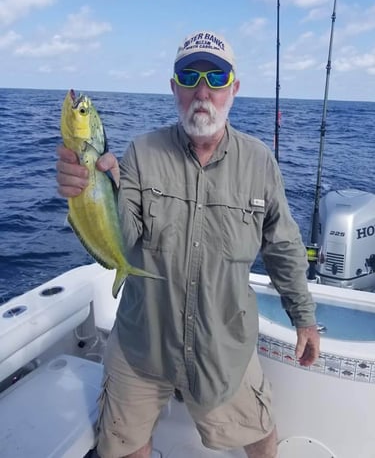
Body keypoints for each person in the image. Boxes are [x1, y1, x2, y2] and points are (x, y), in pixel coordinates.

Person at [56, 30, 320, 458]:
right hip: (144, 341)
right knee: (123, 446)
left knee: (261, 436)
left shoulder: (259, 162)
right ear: (174, 87)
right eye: (189, 76)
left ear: (233, 88)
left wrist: (304, 318)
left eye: (216, 78)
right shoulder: (141, 152)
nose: (203, 91)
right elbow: (124, 235)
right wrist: (89, 191)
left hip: (224, 348)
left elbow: (283, 245)